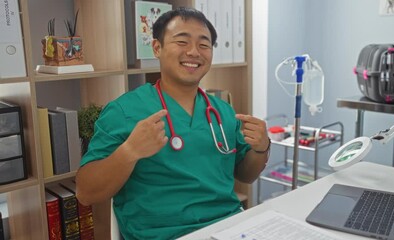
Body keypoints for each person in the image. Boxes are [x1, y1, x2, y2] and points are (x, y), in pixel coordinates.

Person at [76, 7, 270, 239]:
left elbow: (245, 175)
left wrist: (261, 148)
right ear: (157, 48)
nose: (194, 52)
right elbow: (86, 193)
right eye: (182, 41)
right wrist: (129, 152)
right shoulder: (123, 111)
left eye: (204, 45)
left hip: (226, 228)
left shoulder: (223, 112)